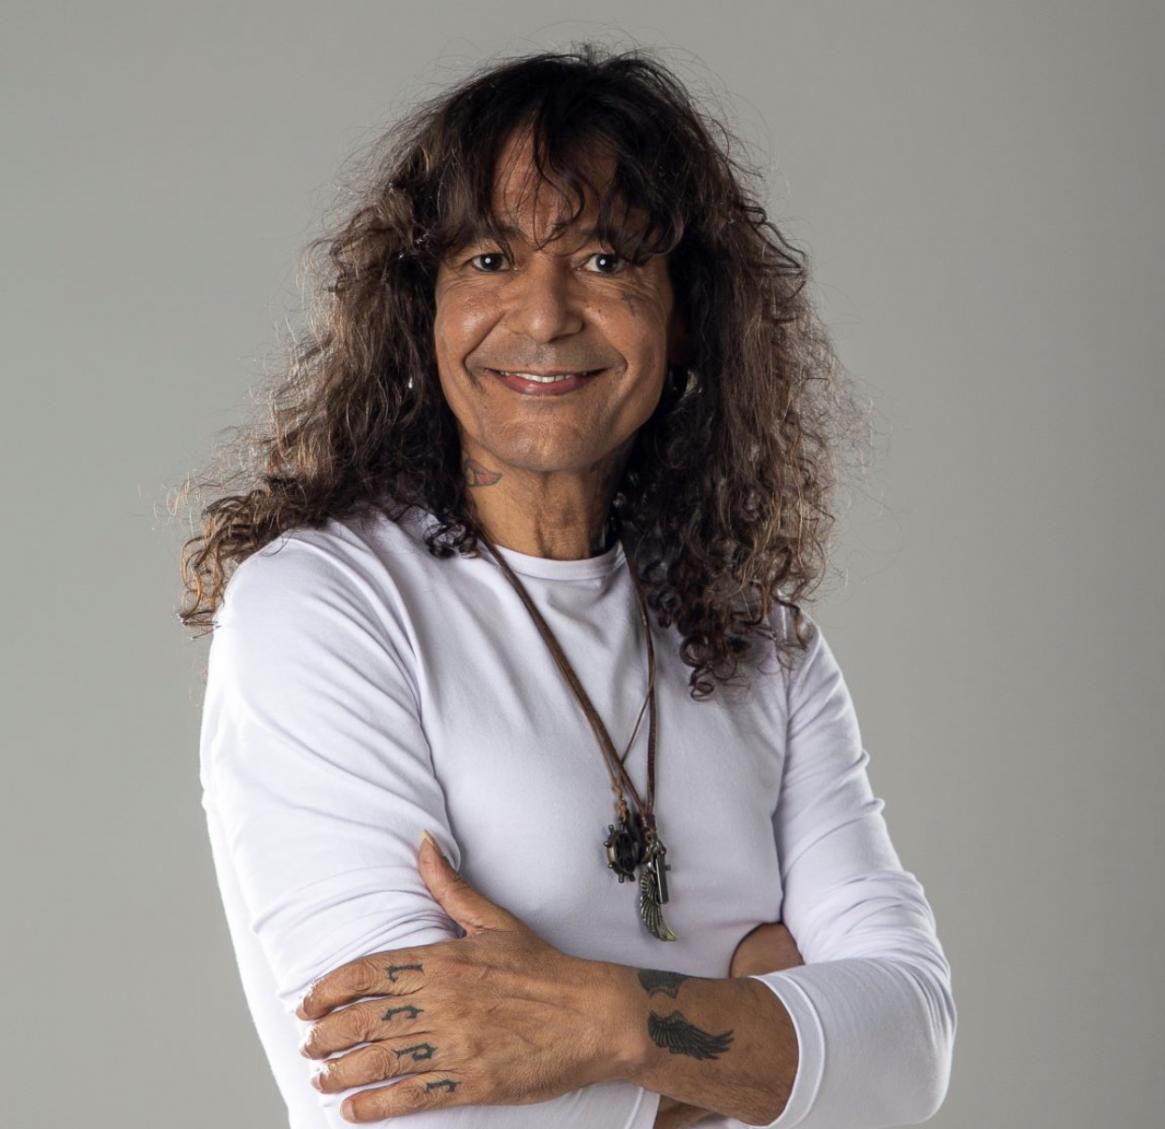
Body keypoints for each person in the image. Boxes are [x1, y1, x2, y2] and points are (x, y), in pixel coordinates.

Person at [179, 43, 956, 1129]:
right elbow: (414, 1107)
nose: (544, 315)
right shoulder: (325, 609)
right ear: (424, 306)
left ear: (682, 311)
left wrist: (600, 1020)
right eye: (490, 257)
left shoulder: (762, 642)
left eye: (603, 259)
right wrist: (765, 1032)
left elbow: (909, 1055)